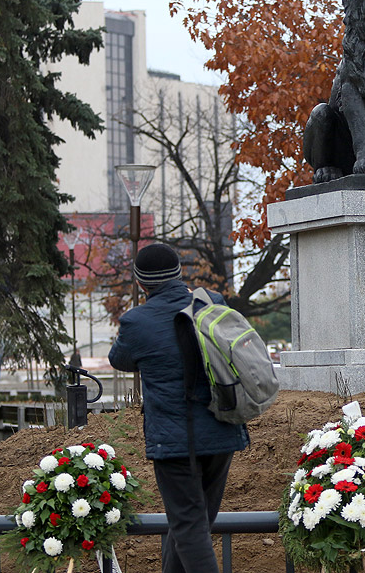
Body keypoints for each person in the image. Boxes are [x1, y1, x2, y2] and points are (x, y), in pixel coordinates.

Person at [109, 243, 248, 573]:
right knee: (193, 524)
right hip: (223, 430)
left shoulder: (136, 322)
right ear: (179, 273)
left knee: (188, 525)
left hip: (175, 443)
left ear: (141, 283)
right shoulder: (212, 301)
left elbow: (119, 359)